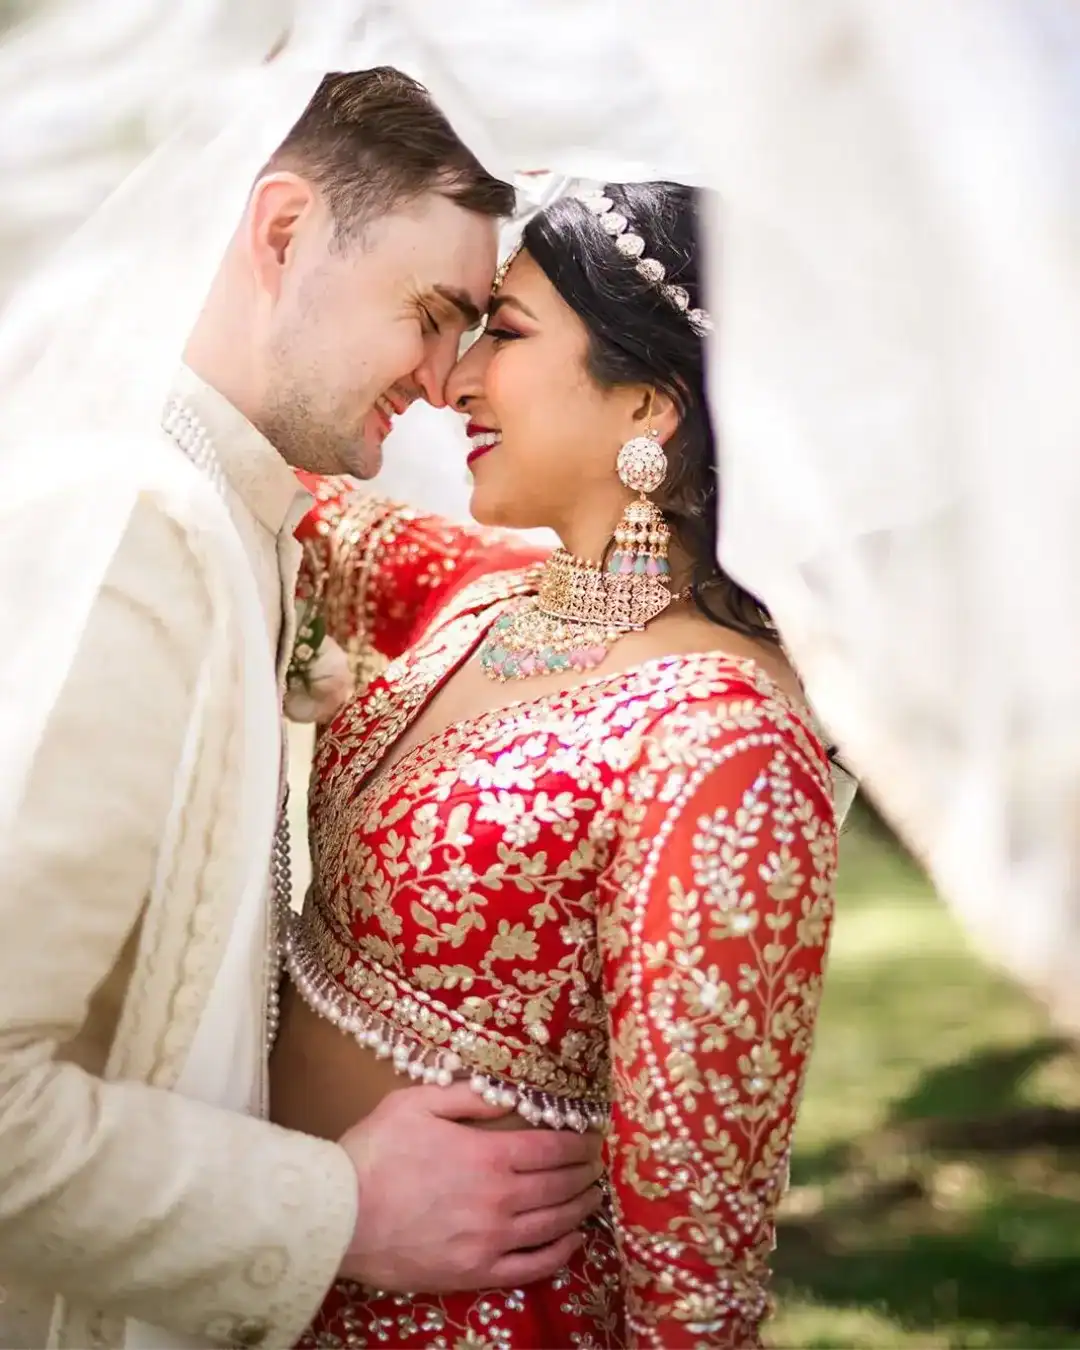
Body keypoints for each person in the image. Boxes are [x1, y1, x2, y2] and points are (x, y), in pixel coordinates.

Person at [0, 70, 601, 1350]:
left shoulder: (236, 510)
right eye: (434, 313)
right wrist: (333, 1209)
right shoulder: (129, 540)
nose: (448, 381)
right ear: (281, 233)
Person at [272, 181, 840, 1348]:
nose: (456, 377)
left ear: (648, 401)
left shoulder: (725, 743)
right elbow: (275, 476)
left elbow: (697, 1267)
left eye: (508, 333)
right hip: (272, 1269)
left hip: (469, 1319)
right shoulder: (483, 593)